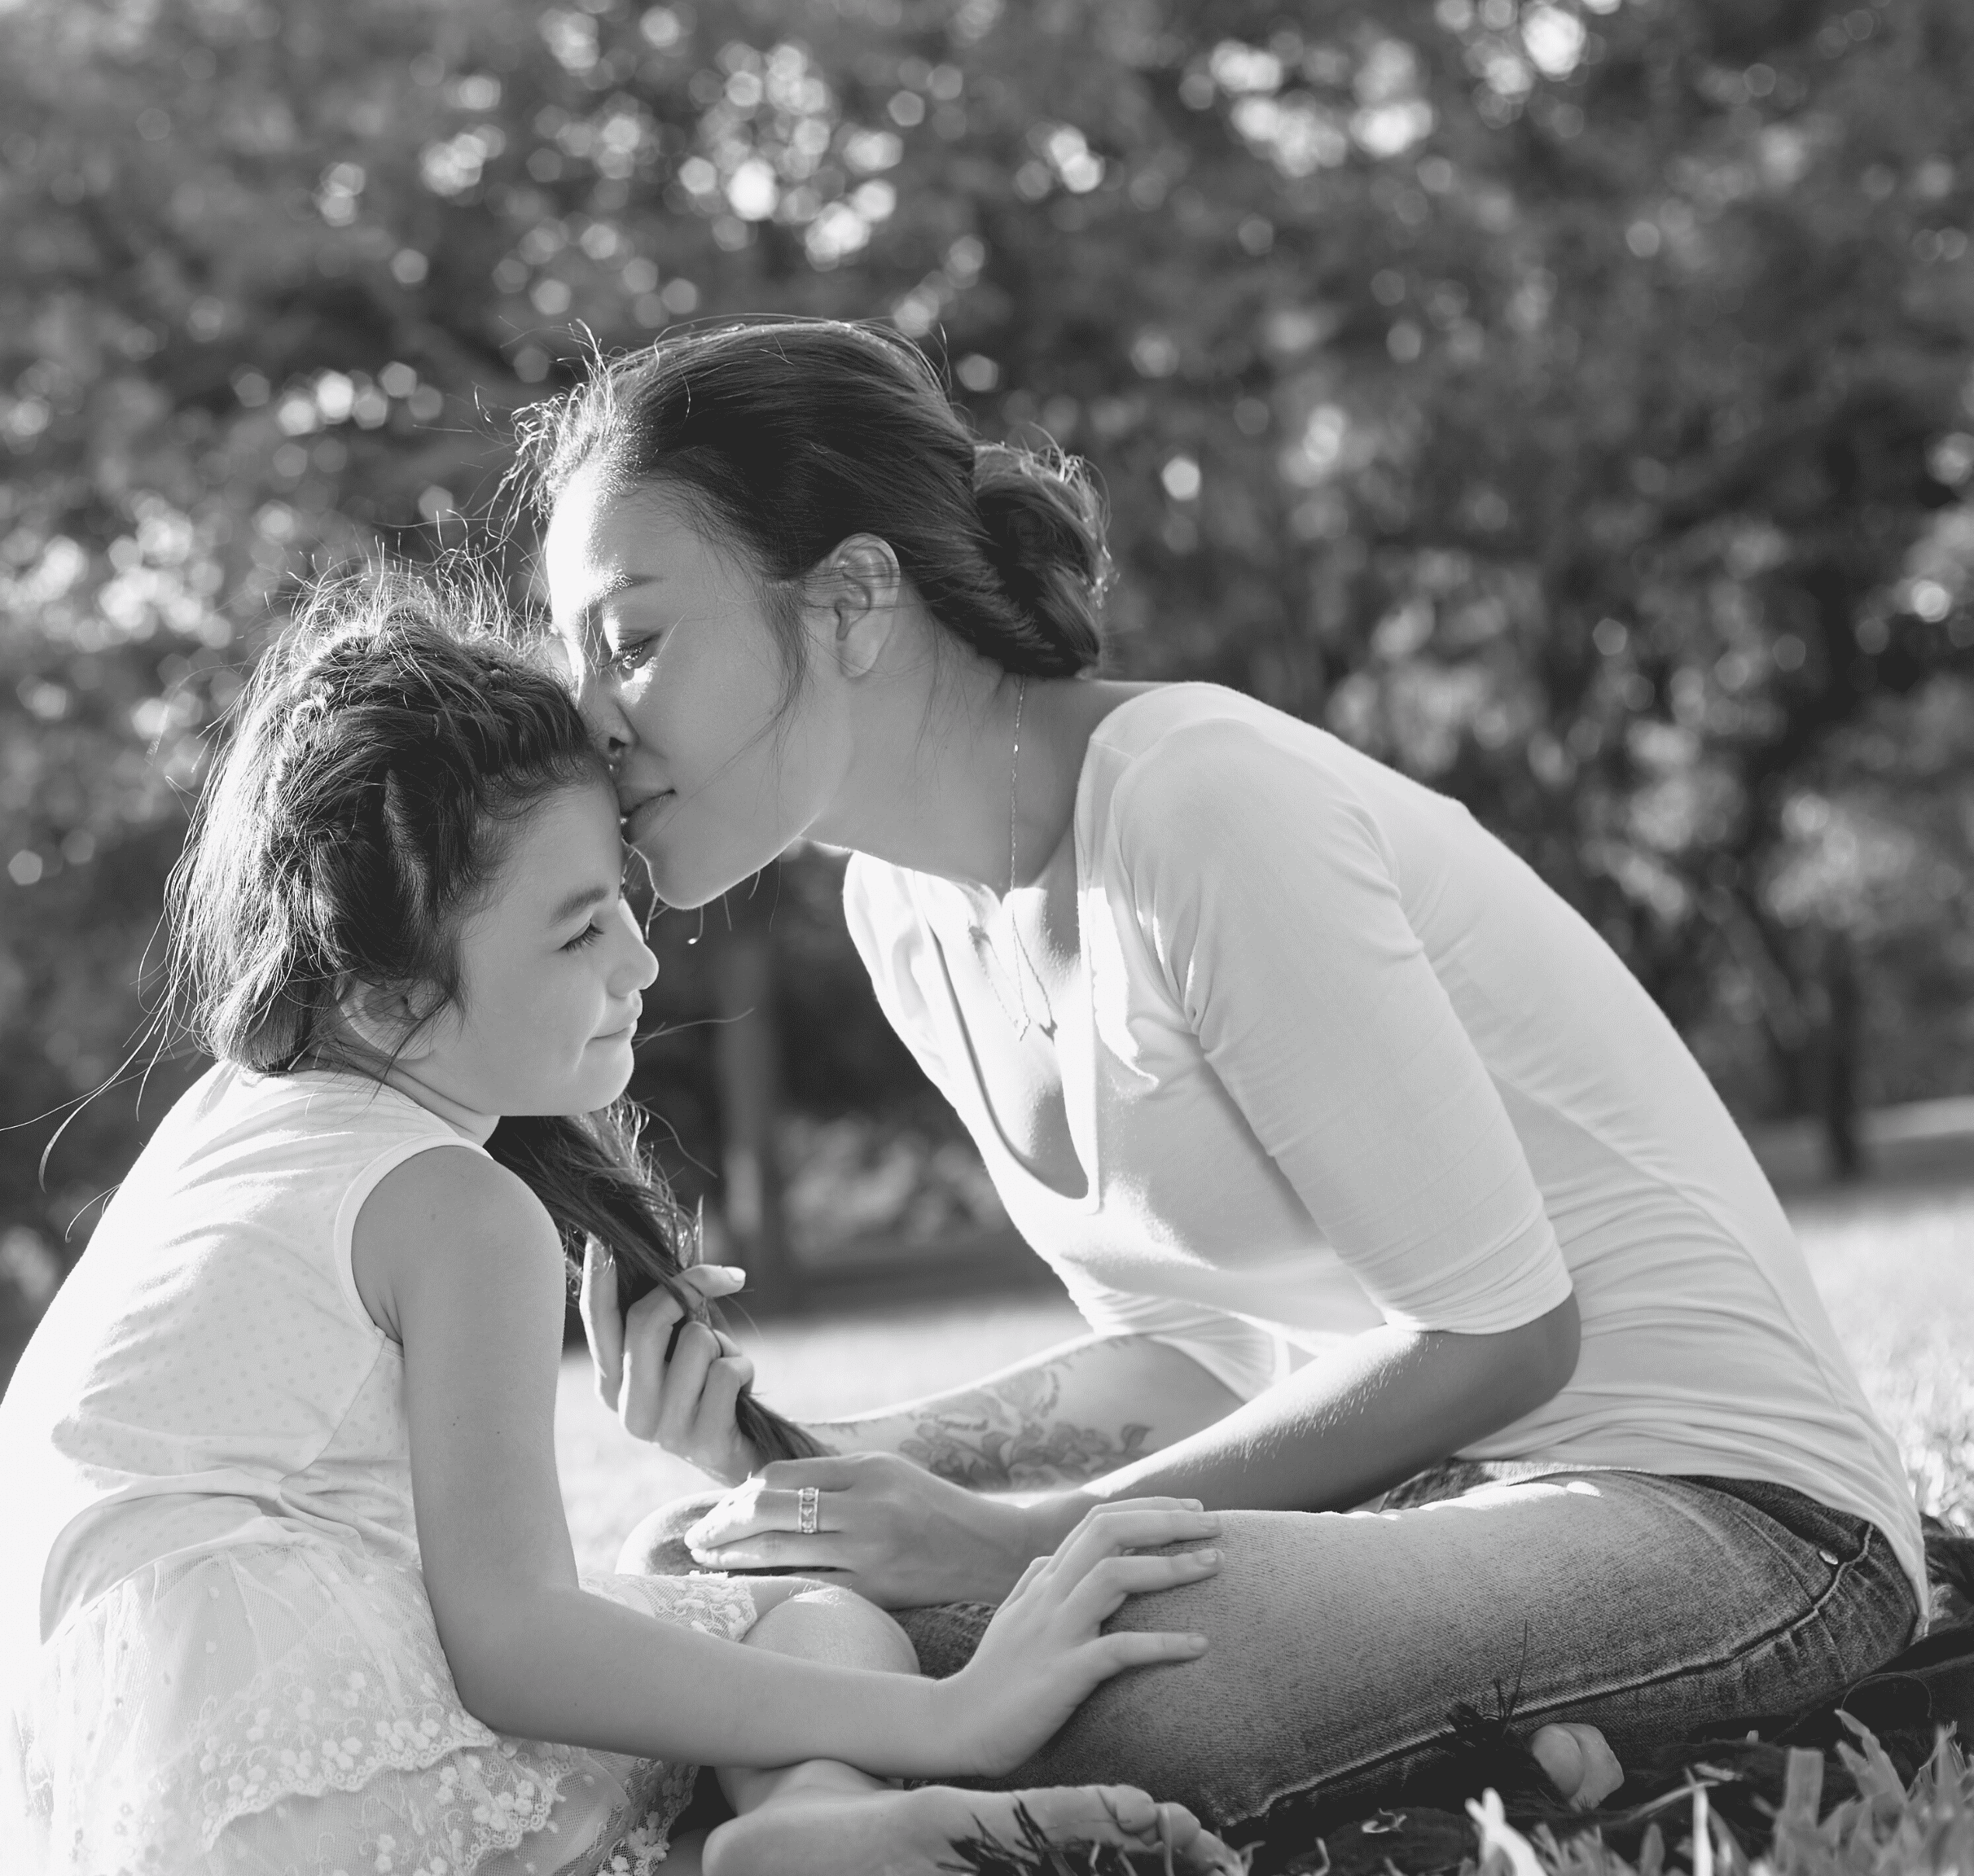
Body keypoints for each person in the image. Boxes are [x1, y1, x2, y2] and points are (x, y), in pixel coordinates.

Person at [518, 318, 1927, 1834]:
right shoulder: (906, 914)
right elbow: (1194, 1357)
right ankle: (843, 1829)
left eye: (635, 640)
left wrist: (1025, 1548)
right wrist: (805, 1463)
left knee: (1100, 1688)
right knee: (705, 1567)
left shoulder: (1196, 800)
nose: (591, 719)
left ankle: (855, 1792)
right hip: (1415, 1519)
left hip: (1720, 1516)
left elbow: (1500, 1336)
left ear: (856, 597)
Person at [0, 569, 1237, 1875]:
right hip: (283, 1748)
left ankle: (786, 1840)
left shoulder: (237, 1118)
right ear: (386, 998)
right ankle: (800, 1829)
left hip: (114, 1804)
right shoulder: (450, 1207)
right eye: (575, 935)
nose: (641, 961)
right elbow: (519, 1648)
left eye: (622, 902)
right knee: (804, 1614)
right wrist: (953, 1714)